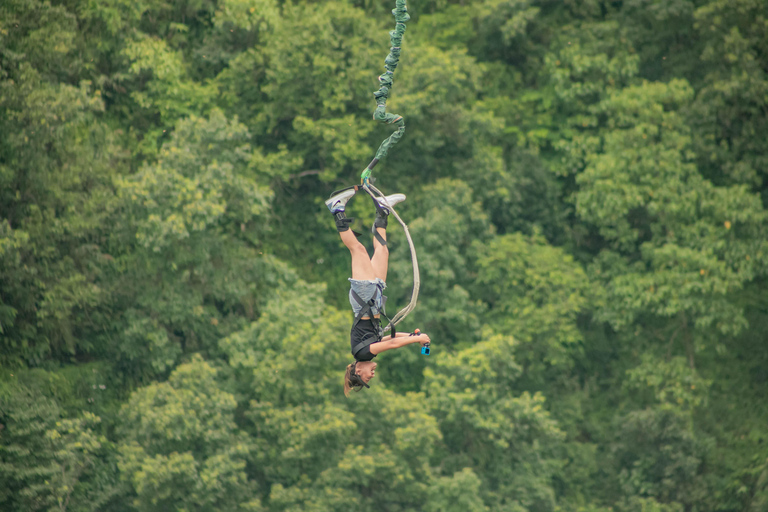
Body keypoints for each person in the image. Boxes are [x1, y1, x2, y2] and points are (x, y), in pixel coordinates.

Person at [325, 188, 431, 396]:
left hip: (364, 296)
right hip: (375, 298)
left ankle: (337, 209)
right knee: (382, 250)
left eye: (365, 377)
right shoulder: (368, 352)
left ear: (357, 370)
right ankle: (382, 210)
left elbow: (392, 345)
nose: (371, 376)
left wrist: (416, 340)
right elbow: (389, 338)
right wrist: (413, 335)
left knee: (358, 250)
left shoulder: (362, 352)